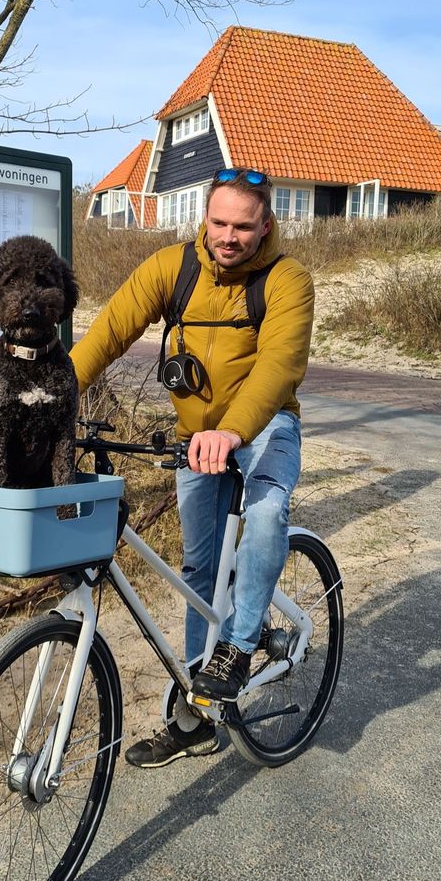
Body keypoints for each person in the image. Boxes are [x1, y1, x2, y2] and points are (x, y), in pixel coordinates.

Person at [70, 167, 314, 768]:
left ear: (265, 225)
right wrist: (56, 396)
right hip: (195, 439)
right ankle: (195, 720)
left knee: (266, 512)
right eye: (219, 222)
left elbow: (279, 366)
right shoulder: (173, 268)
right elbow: (111, 329)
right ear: (204, 217)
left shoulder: (287, 280)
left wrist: (232, 431)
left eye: (243, 227)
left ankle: (239, 646)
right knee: (198, 569)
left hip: (264, 427)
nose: (228, 237)